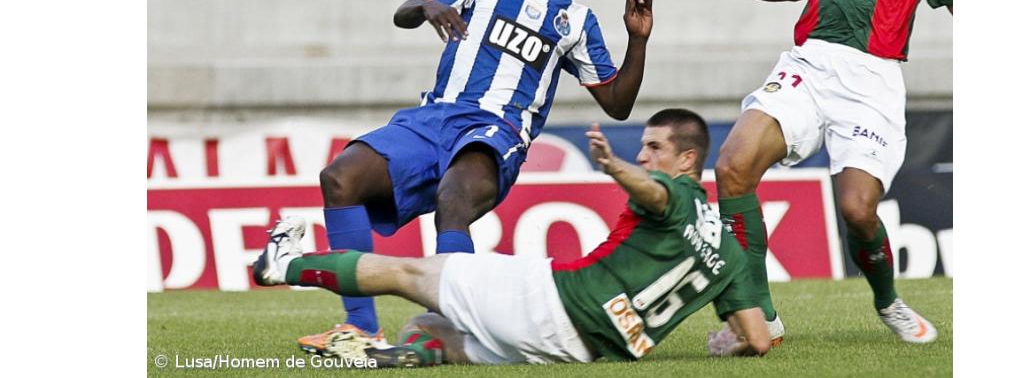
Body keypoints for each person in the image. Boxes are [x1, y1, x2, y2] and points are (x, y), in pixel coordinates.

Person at [299, 0, 654, 353]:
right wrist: (427, 7)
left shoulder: (577, 22)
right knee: (339, 178)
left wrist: (638, 40)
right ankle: (360, 330)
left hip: (498, 131)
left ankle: (447, 332)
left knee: (454, 199)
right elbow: (404, 12)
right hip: (432, 118)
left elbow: (617, 103)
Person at [687, 0, 951, 344]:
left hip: (872, 79)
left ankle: (886, 300)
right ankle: (760, 319)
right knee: (734, 165)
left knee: (858, 211)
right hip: (808, 64)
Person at [253, 109, 771, 366]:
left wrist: (613, 166)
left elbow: (658, 194)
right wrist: (725, 344)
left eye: (653, 147)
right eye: (640, 148)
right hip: (584, 351)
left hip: (555, 300)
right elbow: (757, 336)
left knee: (409, 272)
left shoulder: (672, 191)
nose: (644, 157)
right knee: (434, 330)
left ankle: (286, 265)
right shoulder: (727, 250)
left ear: (687, 161)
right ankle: (398, 356)